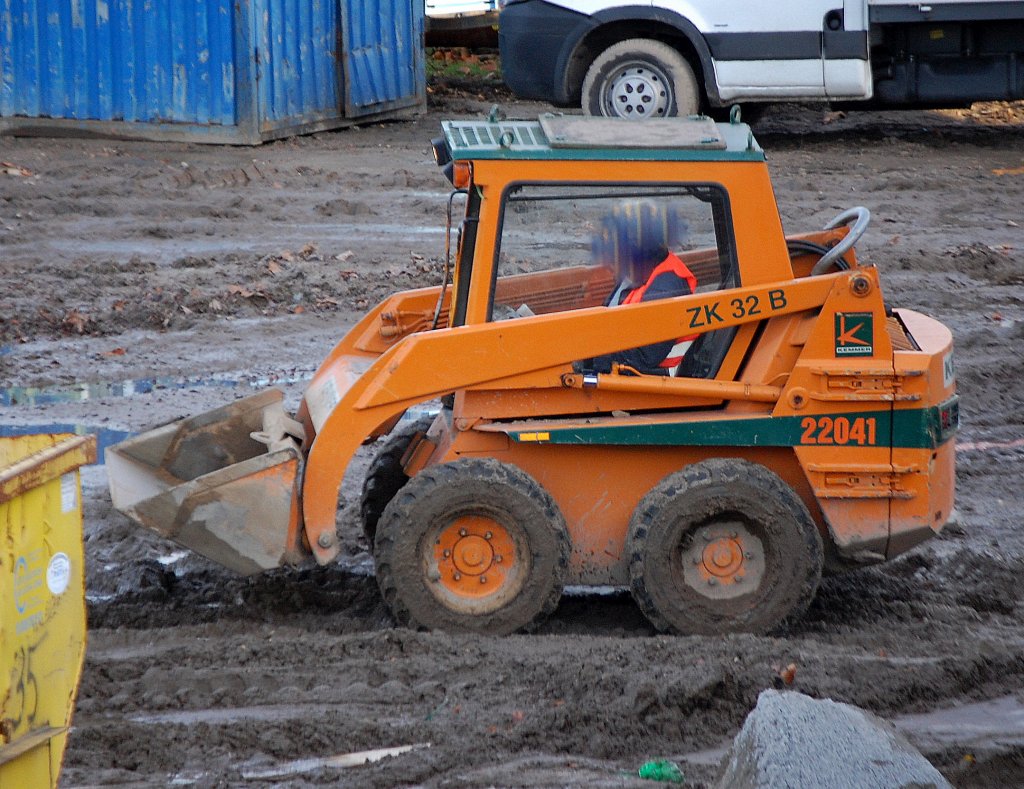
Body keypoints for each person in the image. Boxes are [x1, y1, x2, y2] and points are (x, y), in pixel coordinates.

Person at [589, 200, 698, 375]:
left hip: (655, 388)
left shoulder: (666, 290)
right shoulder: (636, 274)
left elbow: (642, 357)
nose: (607, 259)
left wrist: (585, 356)